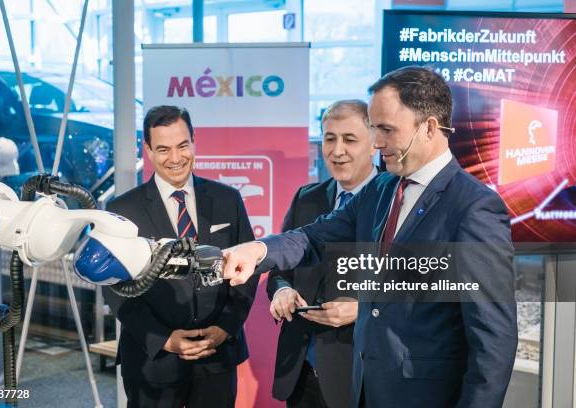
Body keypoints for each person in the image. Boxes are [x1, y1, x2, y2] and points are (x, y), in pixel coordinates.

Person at [222, 66, 518, 408]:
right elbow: (313, 237)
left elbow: (493, 342)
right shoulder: (382, 188)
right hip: (365, 391)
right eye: (375, 129)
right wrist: (257, 250)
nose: (377, 143)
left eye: (387, 130)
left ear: (430, 128)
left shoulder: (474, 208)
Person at [103, 105, 259, 408]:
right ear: (147, 150)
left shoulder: (228, 199)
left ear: (194, 141)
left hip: (217, 358)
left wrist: (225, 328)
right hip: (152, 362)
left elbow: (246, 270)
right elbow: (115, 289)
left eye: (182, 145)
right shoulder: (122, 210)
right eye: (163, 149)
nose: (175, 158)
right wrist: (164, 338)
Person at [267, 99, 377, 408]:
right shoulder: (307, 198)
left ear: (373, 145)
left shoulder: (395, 199)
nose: (337, 150)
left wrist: (362, 308)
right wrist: (283, 290)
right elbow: (280, 270)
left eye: (350, 139)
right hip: (302, 373)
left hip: (361, 374)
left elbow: (417, 282)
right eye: (330, 138)